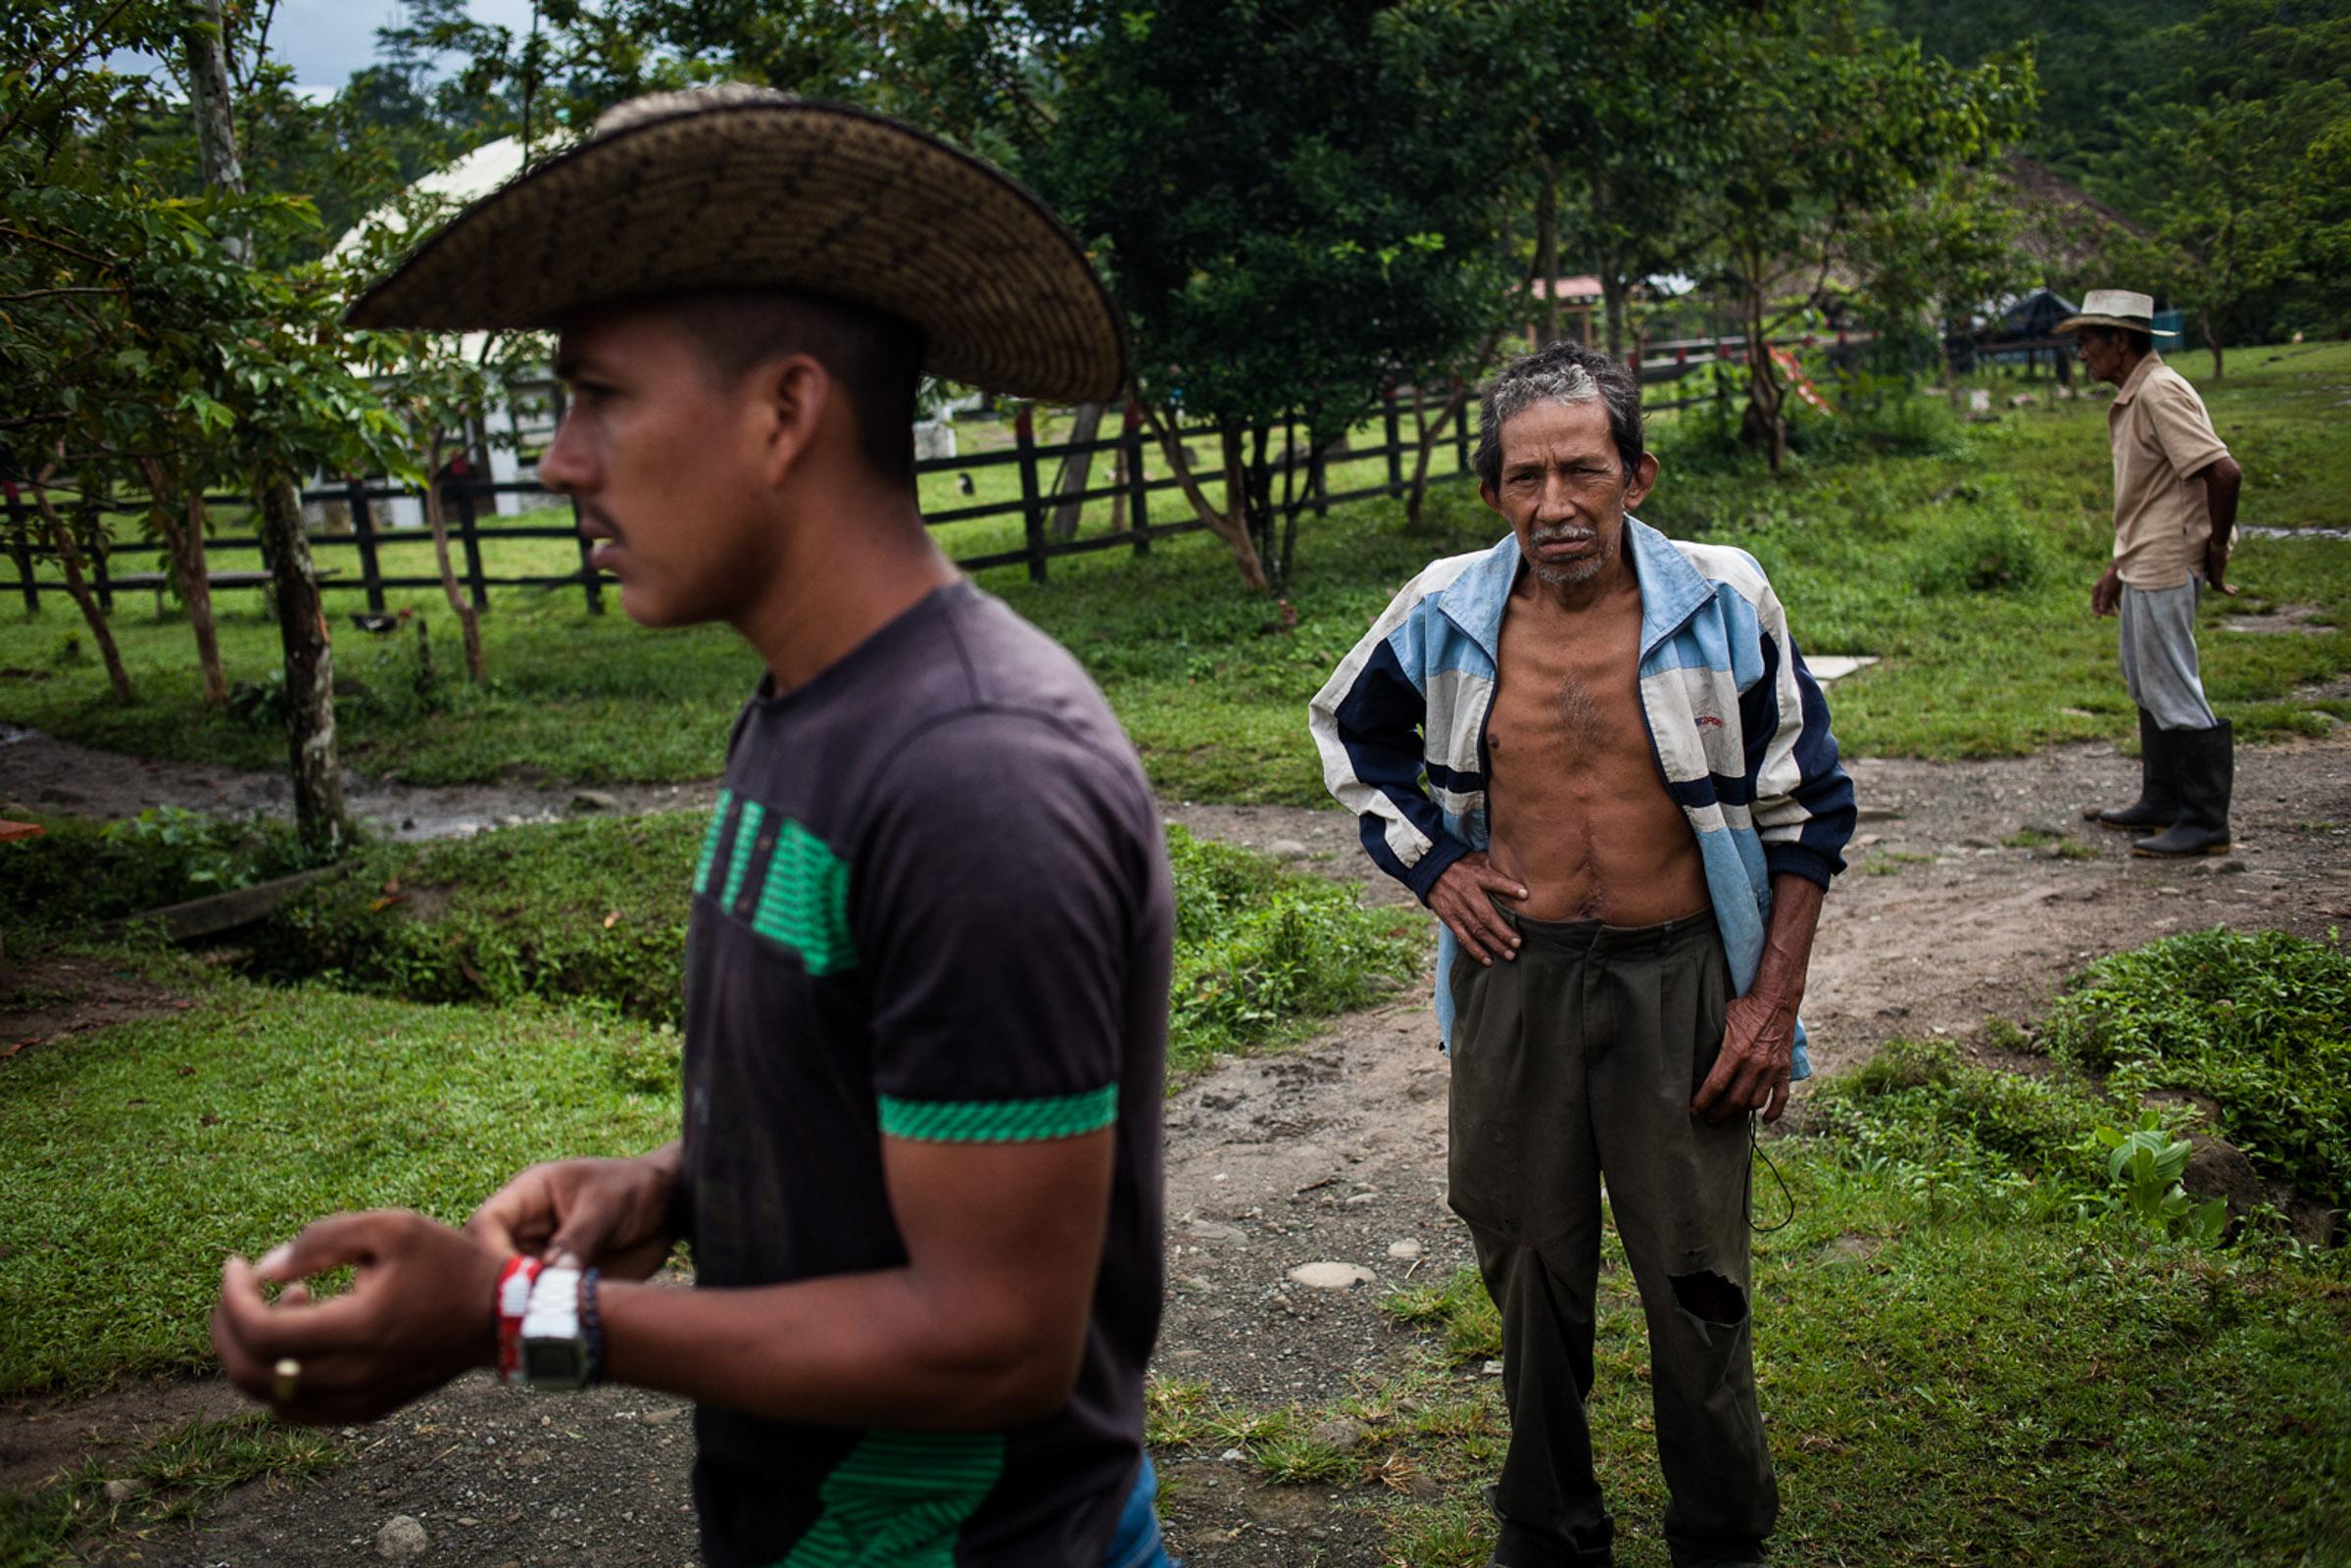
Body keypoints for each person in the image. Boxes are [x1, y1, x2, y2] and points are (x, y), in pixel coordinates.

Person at [210, 87, 1178, 1568]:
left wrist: (508, 1318)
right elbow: (866, 1085)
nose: (557, 460)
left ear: (785, 412)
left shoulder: (976, 776)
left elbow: (994, 1346)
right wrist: (672, 1184)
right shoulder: (807, 706)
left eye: (600, 394)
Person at [1308, 340, 1854, 1568]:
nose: (1554, 505)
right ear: (1493, 492)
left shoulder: (1721, 600)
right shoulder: (1445, 609)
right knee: (1522, 1257)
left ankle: (1719, 1525)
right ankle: (1546, 1521)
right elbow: (1349, 730)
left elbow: (1807, 808)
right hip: (1518, 975)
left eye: (1581, 472)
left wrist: (1766, 1005)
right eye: (1523, 478)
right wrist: (1434, 866)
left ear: (1636, 476)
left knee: (1695, 1269)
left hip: (1684, 980)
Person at [2061, 288, 2243, 857]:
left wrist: (2214, 551)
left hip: (2169, 558)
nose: (2083, 354)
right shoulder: (2134, 397)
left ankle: (2206, 820)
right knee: (2144, 678)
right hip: (2143, 556)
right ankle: (2162, 800)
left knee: (2172, 682)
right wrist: (2116, 565)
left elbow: (2224, 472)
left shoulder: (2160, 392)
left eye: (2089, 341)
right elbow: (2151, 495)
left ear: (2120, 340)